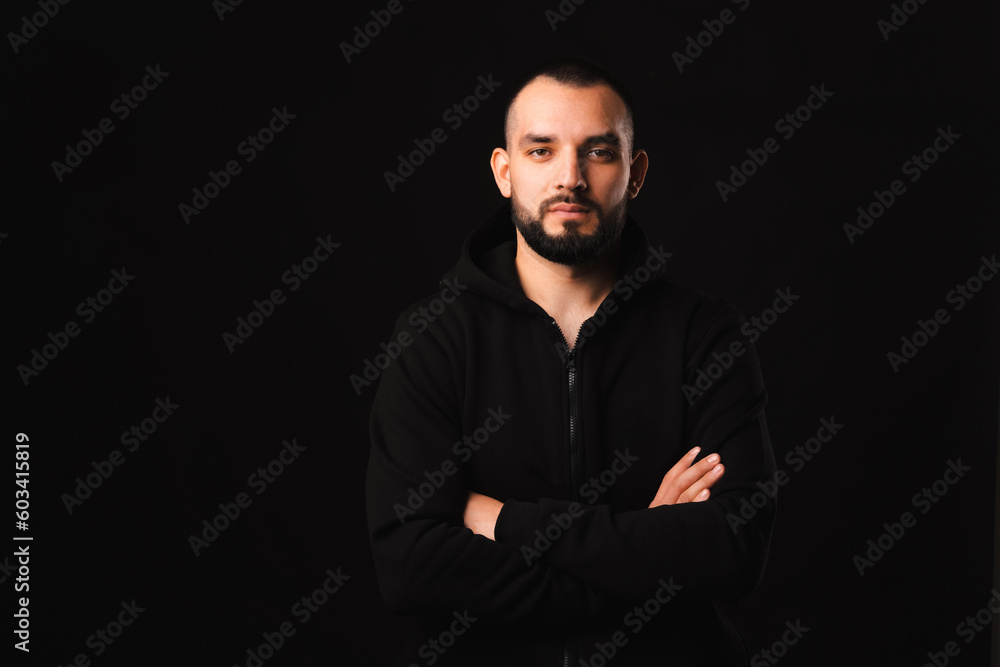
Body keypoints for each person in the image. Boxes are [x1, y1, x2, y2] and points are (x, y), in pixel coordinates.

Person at [365, 57, 776, 666]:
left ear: (634, 174)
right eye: (540, 151)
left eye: (598, 152)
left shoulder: (704, 336)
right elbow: (412, 570)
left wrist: (505, 522)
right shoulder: (433, 338)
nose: (571, 178)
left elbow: (731, 553)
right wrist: (645, 545)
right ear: (504, 173)